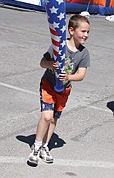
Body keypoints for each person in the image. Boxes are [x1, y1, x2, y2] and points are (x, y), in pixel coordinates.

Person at [28, 14, 90, 165]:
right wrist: (50, 64)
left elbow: (81, 75)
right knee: (47, 116)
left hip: (64, 90)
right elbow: (42, 63)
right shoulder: (58, 45)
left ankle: (45, 146)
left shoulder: (84, 53)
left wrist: (68, 77)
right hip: (48, 85)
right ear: (71, 30)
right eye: (83, 31)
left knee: (54, 118)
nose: (86, 35)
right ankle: (35, 148)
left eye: (88, 32)